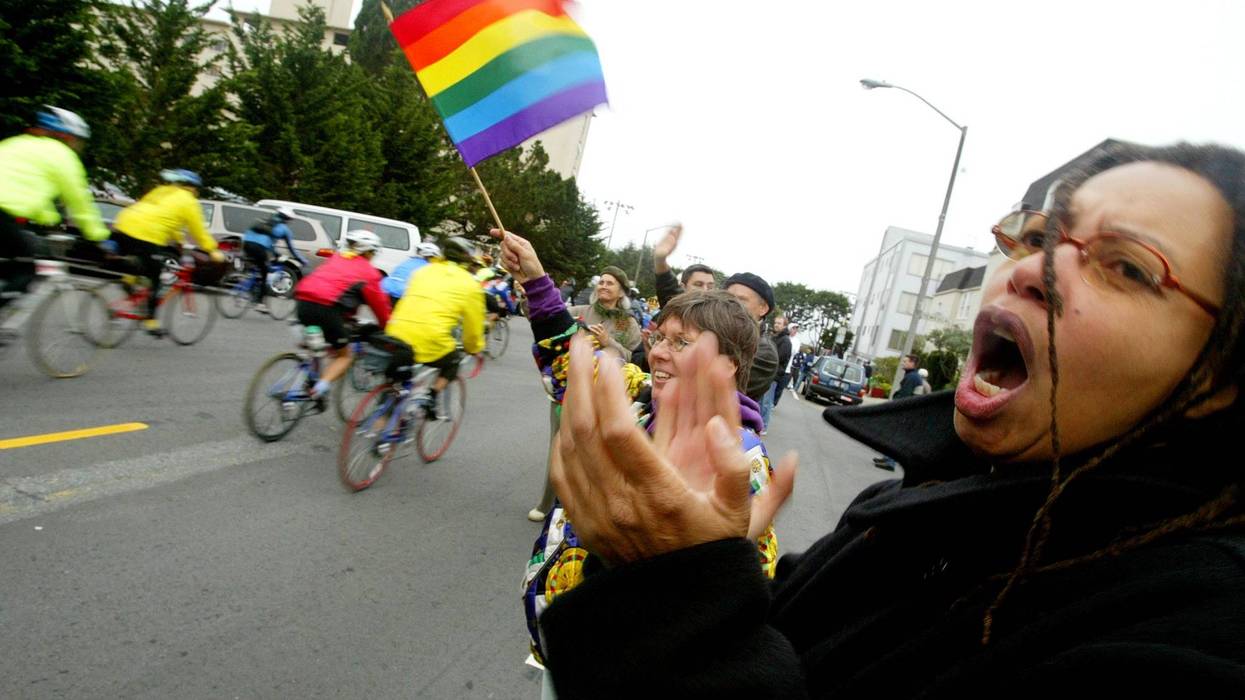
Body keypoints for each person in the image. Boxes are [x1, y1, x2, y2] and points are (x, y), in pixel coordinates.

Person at [528, 142, 1245, 698]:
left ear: (1219, 380)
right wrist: (678, 567)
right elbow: (762, 635)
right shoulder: (914, 508)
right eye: (1036, 236)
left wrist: (673, 589)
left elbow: (706, 639)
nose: (1034, 269)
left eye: (1124, 267)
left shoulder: (1193, 638)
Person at [494, 227, 780, 669]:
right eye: (659, 338)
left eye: (681, 343)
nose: (661, 353)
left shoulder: (741, 466)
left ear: (728, 365)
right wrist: (535, 279)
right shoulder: (640, 397)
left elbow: (733, 605)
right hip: (562, 646)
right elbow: (573, 359)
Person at [0, 106, 109, 312]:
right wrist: (97, 237)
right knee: (26, 269)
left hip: (6, 215)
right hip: (3, 215)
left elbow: (24, 191)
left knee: (9, 263)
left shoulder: (13, 143)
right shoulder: (63, 156)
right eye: (77, 140)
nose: (77, 145)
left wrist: (50, 218)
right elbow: (80, 202)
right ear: (65, 136)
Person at [112, 168, 224, 336]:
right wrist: (212, 250)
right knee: (156, 278)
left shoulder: (161, 191)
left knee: (145, 264)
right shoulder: (189, 201)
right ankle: (150, 322)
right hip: (146, 235)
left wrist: (179, 240)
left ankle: (129, 279)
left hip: (123, 225)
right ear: (193, 187)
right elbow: (198, 231)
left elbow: (166, 219)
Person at [385, 237, 485, 419]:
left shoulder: (423, 271)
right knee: (452, 361)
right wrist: (474, 348)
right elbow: (472, 329)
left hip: (396, 331)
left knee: (396, 383)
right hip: (430, 339)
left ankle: (380, 425)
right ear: (467, 259)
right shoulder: (471, 285)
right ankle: (431, 397)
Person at [292, 229, 392, 404]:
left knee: (320, 341)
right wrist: (387, 328)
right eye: (373, 253)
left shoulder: (336, 259)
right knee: (345, 355)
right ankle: (318, 390)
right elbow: (380, 308)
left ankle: (309, 367)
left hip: (302, 302)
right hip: (327, 309)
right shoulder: (370, 273)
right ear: (369, 252)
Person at [724, 271, 780, 405]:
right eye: (728, 298)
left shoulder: (764, 352)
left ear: (763, 308)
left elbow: (722, 392)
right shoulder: (715, 330)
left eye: (741, 300)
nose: (732, 305)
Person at [567, 266, 642, 361]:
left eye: (609, 283)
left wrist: (608, 342)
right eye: (601, 283)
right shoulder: (577, 312)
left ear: (621, 293)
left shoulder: (627, 323)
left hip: (606, 374)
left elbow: (634, 358)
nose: (603, 286)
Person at [241, 206, 308, 311]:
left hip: (246, 244)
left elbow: (266, 243)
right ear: (288, 219)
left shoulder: (262, 221)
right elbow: (291, 249)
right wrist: (301, 260)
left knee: (255, 267)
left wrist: (274, 252)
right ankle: (259, 303)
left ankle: (245, 282)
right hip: (259, 248)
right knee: (265, 273)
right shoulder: (284, 229)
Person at [651, 224, 717, 307]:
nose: (705, 290)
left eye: (710, 287)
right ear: (683, 287)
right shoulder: (677, 309)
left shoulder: (720, 315)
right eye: (698, 285)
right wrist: (660, 259)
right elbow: (667, 284)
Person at [771, 318, 795, 408]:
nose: (776, 325)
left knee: (766, 404)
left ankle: (763, 422)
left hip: (773, 376)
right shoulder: (775, 337)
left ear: (785, 326)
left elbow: (778, 358)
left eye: (779, 323)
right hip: (769, 375)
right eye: (775, 323)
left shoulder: (785, 341)